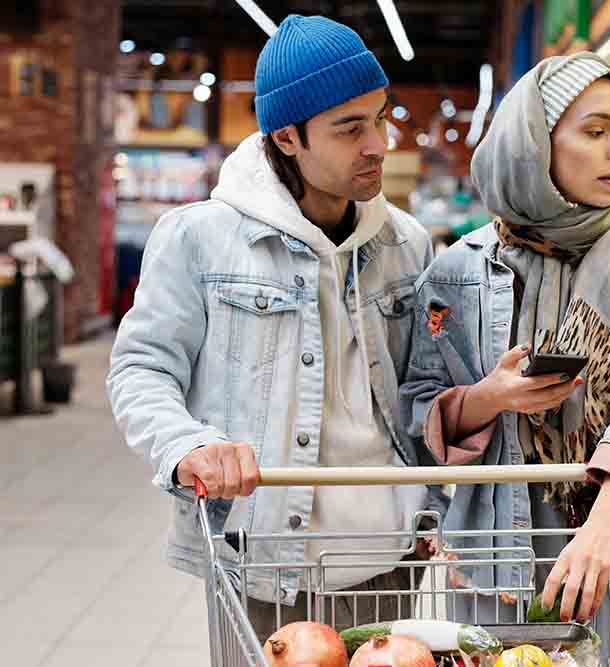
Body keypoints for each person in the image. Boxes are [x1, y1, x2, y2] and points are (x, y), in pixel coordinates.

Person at [107, 15, 439, 642]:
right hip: (266, 565)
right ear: (287, 138)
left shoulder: (407, 243)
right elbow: (141, 368)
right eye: (350, 128)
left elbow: (422, 392)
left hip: (391, 558)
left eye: (379, 117)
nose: (378, 144)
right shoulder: (198, 239)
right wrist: (185, 444)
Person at [401, 52, 610, 658]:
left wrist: (605, 521)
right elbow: (416, 412)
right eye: (595, 130)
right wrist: (488, 399)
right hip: (496, 547)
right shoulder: (456, 274)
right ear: (535, 144)